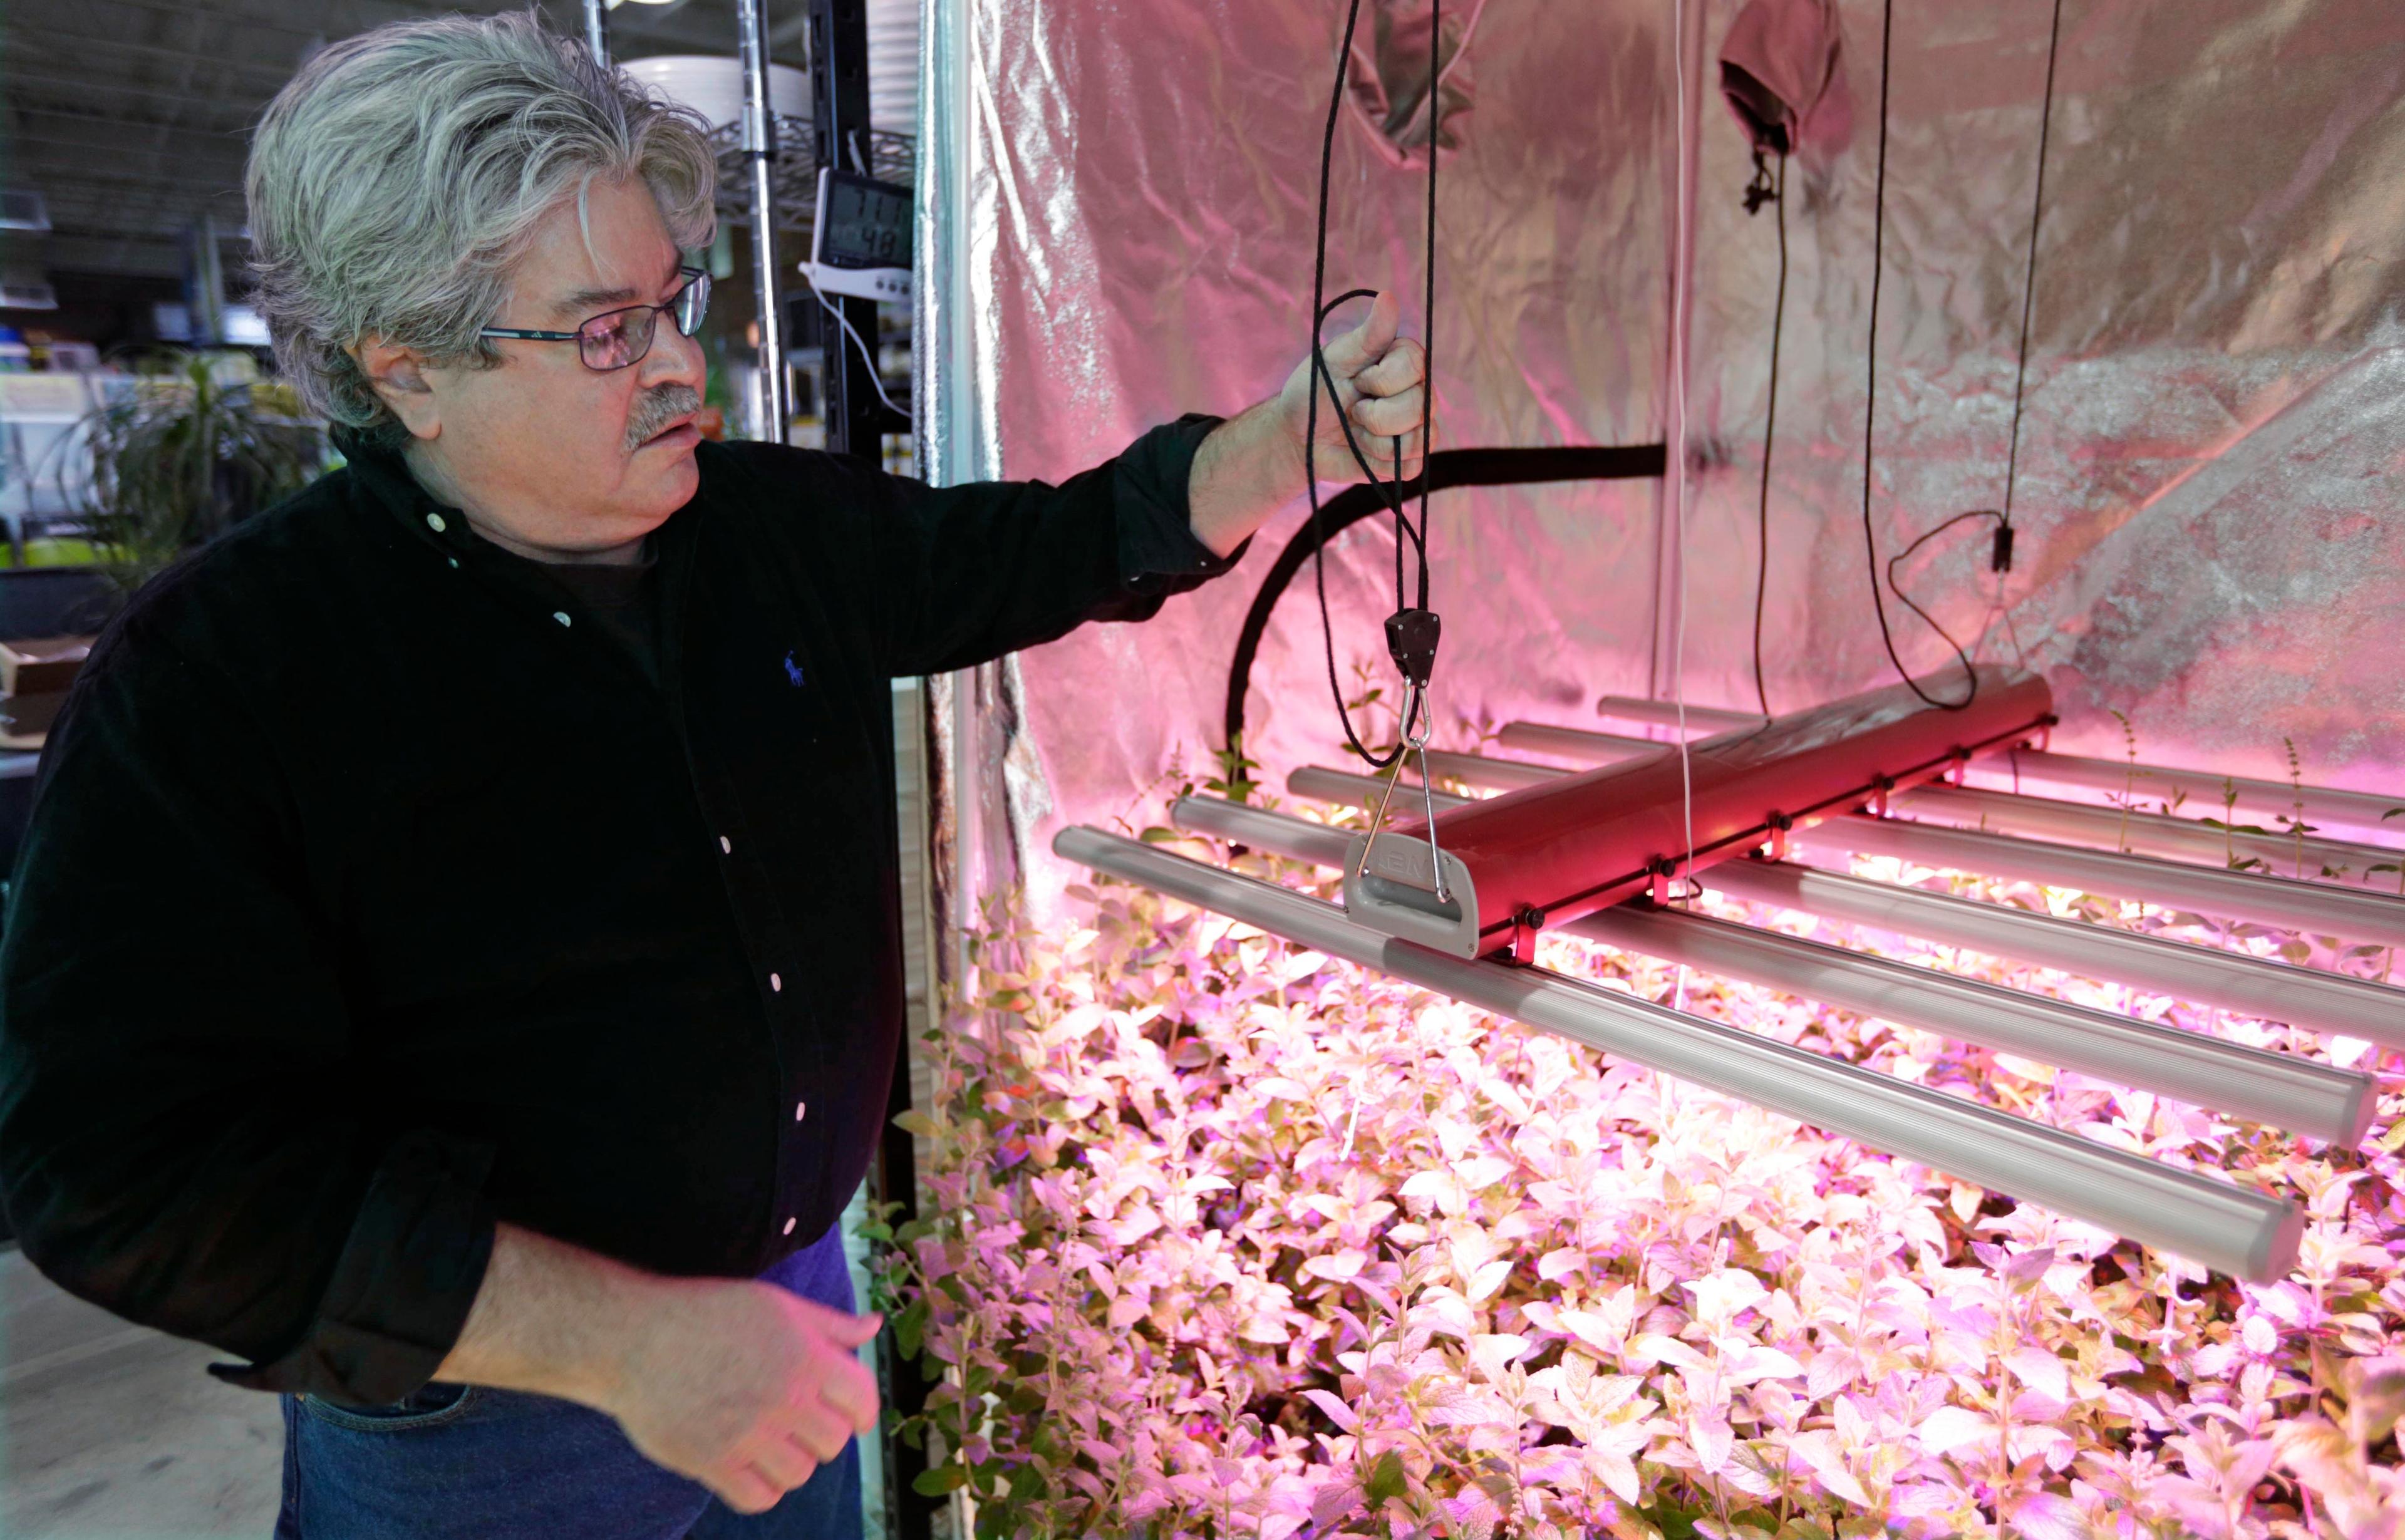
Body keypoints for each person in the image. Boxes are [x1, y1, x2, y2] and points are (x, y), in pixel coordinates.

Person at [0, 13, 1424, 1540]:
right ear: (408, 373)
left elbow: (1029, 550)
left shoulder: (753, 530)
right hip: (494, 1421)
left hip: (786, 1314)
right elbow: (118, 1170)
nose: (684, 368)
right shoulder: (227, 676)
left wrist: (1278, 448)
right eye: (607, 331)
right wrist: (625, 1341)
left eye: (675, 304)